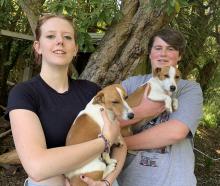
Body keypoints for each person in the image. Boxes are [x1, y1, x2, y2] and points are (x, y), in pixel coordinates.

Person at [5, 14, 126, 186]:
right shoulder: (24, 94)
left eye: (67, 37)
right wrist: (103, 142)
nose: (60, 41)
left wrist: (107, 181)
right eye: (50, 36)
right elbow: (37, 167)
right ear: (37, 47)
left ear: (75, 48)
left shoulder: (92, 92)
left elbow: (120, 144)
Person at [117, 28, 203, 186]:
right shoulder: (130, 85)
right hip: (129, 181)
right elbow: (105, 120)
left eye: (170, 49)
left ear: (180, 56)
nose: (163, 54)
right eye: (158, 48)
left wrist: (119, 144)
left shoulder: (189, 89)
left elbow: (175, 132)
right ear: (149, 53)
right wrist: (143, 111)